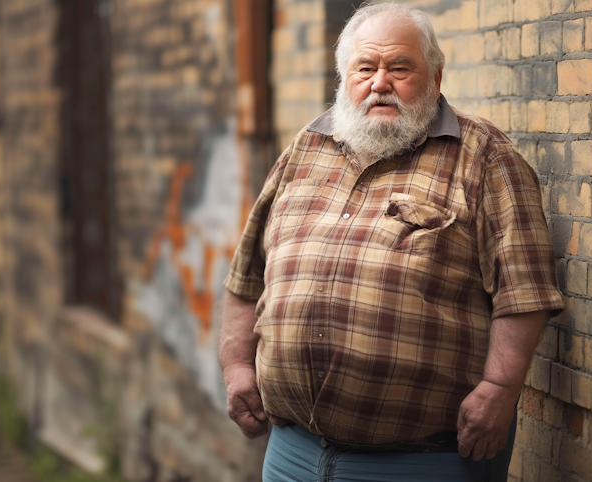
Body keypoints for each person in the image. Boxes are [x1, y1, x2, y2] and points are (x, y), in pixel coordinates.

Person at [219, 3, 564, 481]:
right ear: (345, 77)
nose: (380, 82)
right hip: (291, 452)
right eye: (365, 68)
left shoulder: (485, 157)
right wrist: (237, 366)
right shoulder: (305, 148)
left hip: (423, 461)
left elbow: (524, 289)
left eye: (399, 68)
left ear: (436, 77)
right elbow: (246, 276)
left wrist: (500, 385)